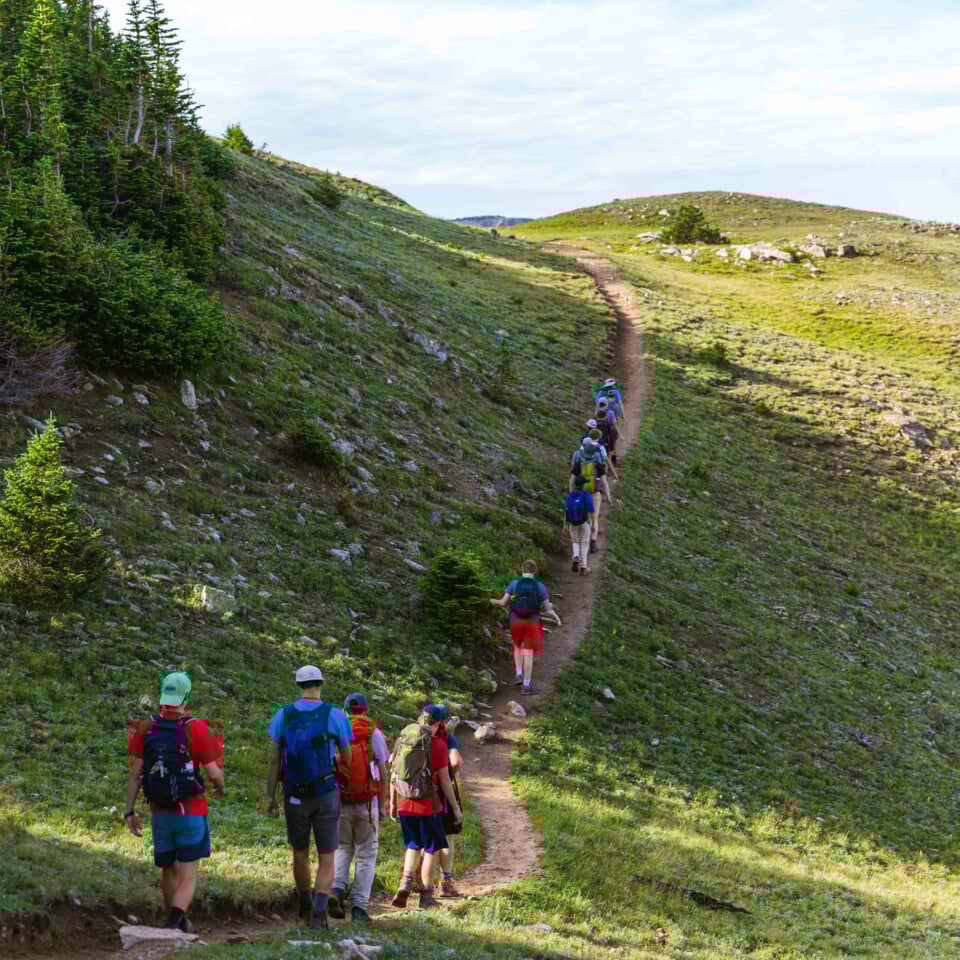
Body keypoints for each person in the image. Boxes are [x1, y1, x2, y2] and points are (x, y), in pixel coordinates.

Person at [125, 672, 225, 933]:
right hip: (191, 810)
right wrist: (221, 788)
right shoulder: (197, 727)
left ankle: (178, 922)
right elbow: (214, 773)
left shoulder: (146, 727)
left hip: (159, 811)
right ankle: (172, 926)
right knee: (188, 874)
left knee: (168, 869)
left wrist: (129, 811)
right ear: (186, 698)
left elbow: (135, 773)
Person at [265, 665, 353, 930]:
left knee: (299, 853)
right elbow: (347, 758)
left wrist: (269, 796)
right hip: (325, 793)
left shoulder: (284, 714)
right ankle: (318, 916)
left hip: (295, 795)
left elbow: (273, 760)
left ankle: (304, 903)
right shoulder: (335, 715)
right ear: (321, 684)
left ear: (298, 685)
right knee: (327, 857)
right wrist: (331, 759)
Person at [388, 705, 463, 909]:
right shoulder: (437, 744)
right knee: (430, 849)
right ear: (439, 723)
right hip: (428, 806)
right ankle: (427, 896)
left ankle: (405, 883)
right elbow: (446, 781)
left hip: (405, 803)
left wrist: (393, 803)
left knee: (413, 845)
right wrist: (455, 808)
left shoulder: (403, 740)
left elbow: (393, 771)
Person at [329, 693, 389, 924]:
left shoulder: (337, 731)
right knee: (366, 854)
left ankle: (336, 889)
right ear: (365, 711)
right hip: (367, 804)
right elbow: (382, 773)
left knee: (342, 847)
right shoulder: (374, 733)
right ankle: (359, 908)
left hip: (341, 801)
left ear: (345, 710)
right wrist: (382, 806)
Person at [489, 560, 562, 695]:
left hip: (515, 620)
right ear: (535, 571)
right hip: (532, 622)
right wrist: (555, 616)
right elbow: (546, 608)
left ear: (521, 570)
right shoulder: (539, 586)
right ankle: (527, 686)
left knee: (517, 646)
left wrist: (491, 601)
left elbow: (503, 602)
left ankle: (518, 674)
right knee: (528, 653)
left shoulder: (514, 584)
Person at [569, 437, 610, 554]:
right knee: (594, 519)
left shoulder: (578, 463)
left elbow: (571, 481)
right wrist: (608, 496)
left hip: (581, 493)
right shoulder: (597, 464)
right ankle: (593, 543)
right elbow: (604, 481)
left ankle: (582, 544)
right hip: (594, 494)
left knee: (584, 519)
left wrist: (572, 494)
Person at [565, 475, 595, 575]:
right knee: (585, 543)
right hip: (584, 522)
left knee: (575, 541)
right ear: (583, 485)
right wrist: (594, 523)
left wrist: (565, 524)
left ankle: (576, 556)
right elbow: (591, 510)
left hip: (573, 523)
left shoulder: (569, 496)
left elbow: (566, 510)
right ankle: (583, 567)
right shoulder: (586, 495)